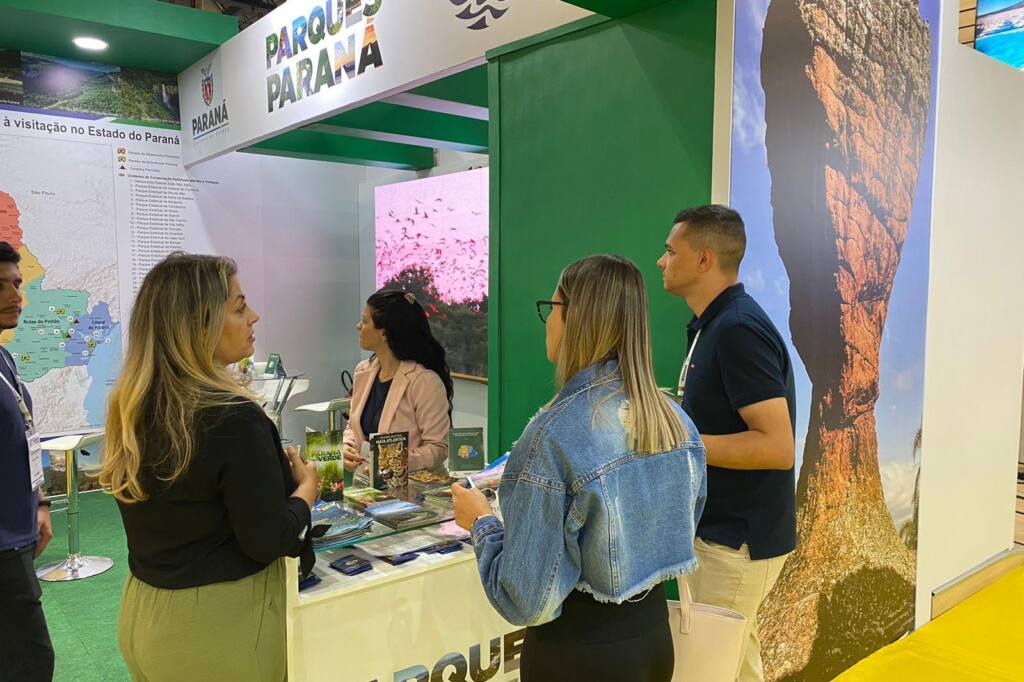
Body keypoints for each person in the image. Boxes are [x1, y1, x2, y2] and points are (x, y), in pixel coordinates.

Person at [451, 255, 706, 682]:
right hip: (652, 640)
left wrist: (481, 522)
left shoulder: (552, 437)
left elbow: (526, 600)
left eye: (551, 308)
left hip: (576, 655)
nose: (547, 322)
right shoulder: (675, 422)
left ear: (575, 318)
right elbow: (686, 522)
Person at [100, 253, 318, 682]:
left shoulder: (135, 407)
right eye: (239, 307)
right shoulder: (233, 417)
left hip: (144, 614)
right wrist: (305, 491)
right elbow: (268, 539)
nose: (253, 316)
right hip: (217, 629)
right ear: (198, 324)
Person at [657, 205, 796, 682]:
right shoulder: (713, 325)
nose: (661, 261)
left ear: (704, 259)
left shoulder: (737, 330)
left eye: (671, 251)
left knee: (707, 671)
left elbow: (777, 447)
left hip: (736, 542)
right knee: (738, 666)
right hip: (721, 534)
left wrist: (681, 443)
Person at [0, 241, 54, 682]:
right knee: (30, 663)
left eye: (17, 284)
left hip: (19, 535)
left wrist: (41, 502)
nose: (15, 296)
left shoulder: (4, 358)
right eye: (0, 286)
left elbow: (24, 436)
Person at [343, 289, 453, 474]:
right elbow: (353, 427)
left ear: (384, 333)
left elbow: (438, 448)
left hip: (412, 488)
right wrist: (347, 446)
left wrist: (393, 461)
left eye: (365, 320)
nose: (358, 326)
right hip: (366, 485)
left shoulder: (423, 382)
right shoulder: (363, 371)